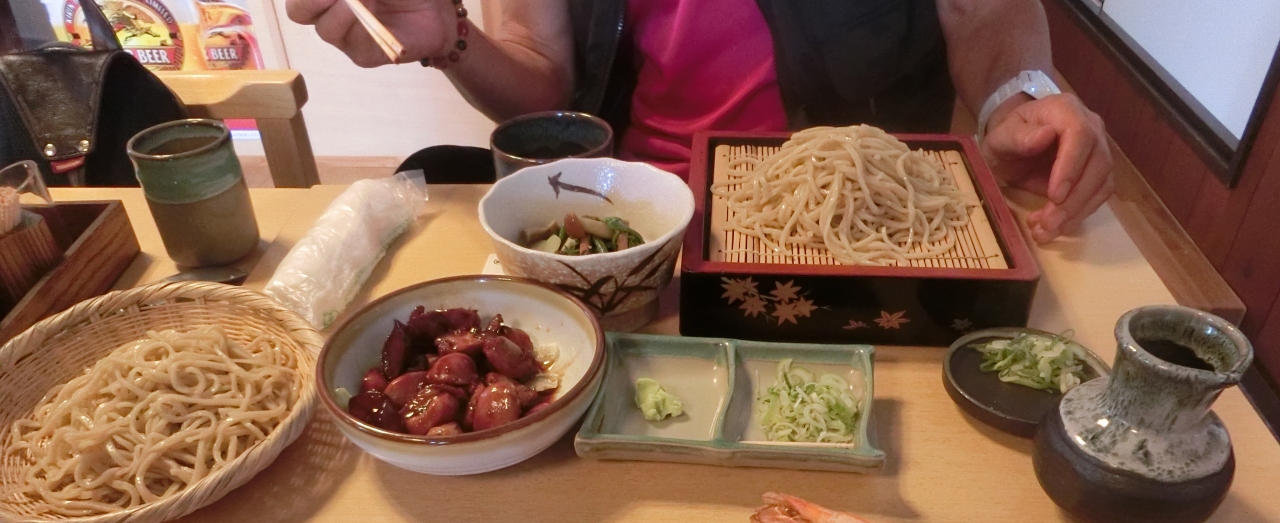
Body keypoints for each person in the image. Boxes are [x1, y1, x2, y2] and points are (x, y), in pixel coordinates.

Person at [285, 0, 1113, 243]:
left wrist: (1018, 98)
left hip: (863, 219)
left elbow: (984, 10)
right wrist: (451, 40)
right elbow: (543, 81)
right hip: (639, 218)